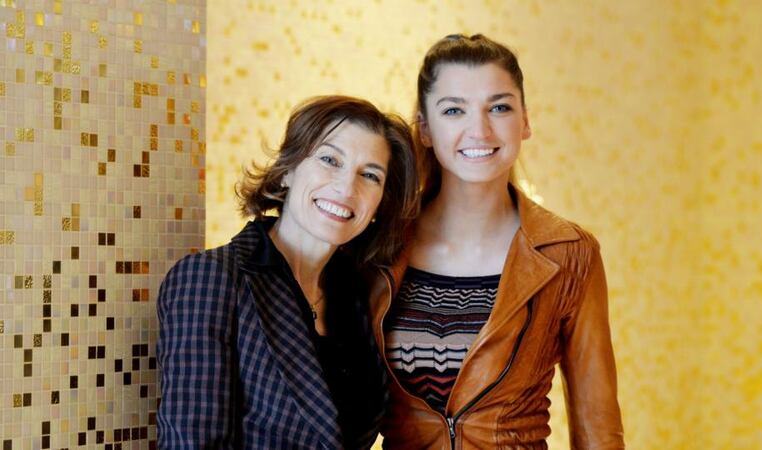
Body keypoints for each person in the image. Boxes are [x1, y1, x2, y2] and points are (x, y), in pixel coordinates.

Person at [372, 34, 625, 449]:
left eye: (500, 107)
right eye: (454, 110)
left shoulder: (569, 252)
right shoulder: (377, 246)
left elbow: (598, 427)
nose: (479, 129)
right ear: (425, 128)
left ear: (524, 121)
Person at [157, 95, 418, 449]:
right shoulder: (212, 278)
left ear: (380, 203)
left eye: (370, 175)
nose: (346, 188)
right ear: (288, 170)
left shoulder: (361, 296)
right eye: (329, 160)